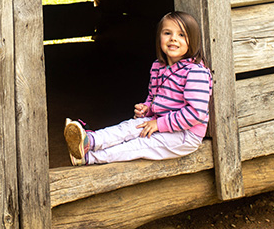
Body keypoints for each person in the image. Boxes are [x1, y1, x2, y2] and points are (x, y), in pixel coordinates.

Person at [64, 11, 212, 165]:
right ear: (159, 37)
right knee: (128, 127)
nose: (173, 38)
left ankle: (88, 158)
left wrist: (158, 124)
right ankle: (91, 141)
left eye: (182, 35)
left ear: (193, 40)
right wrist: (147, 108)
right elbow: (154, 97)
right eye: (167, 33)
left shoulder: (195, 72)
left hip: (185, 135)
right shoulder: (158, 67)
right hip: (158, 122)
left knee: (139, 145)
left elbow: (196, 113)